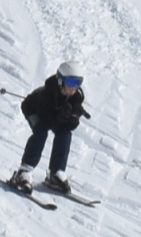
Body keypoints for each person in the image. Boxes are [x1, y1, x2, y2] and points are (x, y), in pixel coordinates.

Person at [8, 61, 90, 194]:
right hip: (33, 109)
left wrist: (73, 118)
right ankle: (24, 171)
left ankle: (56, 173)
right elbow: (45, 122)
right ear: (60, 81)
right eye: (71, 82)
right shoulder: (48, 93)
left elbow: (68, 127)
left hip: (52, 117)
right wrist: (61, 115)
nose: (74, 88)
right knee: (41, 132)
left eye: (78, 82)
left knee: (65, 133)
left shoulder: (76, 97)